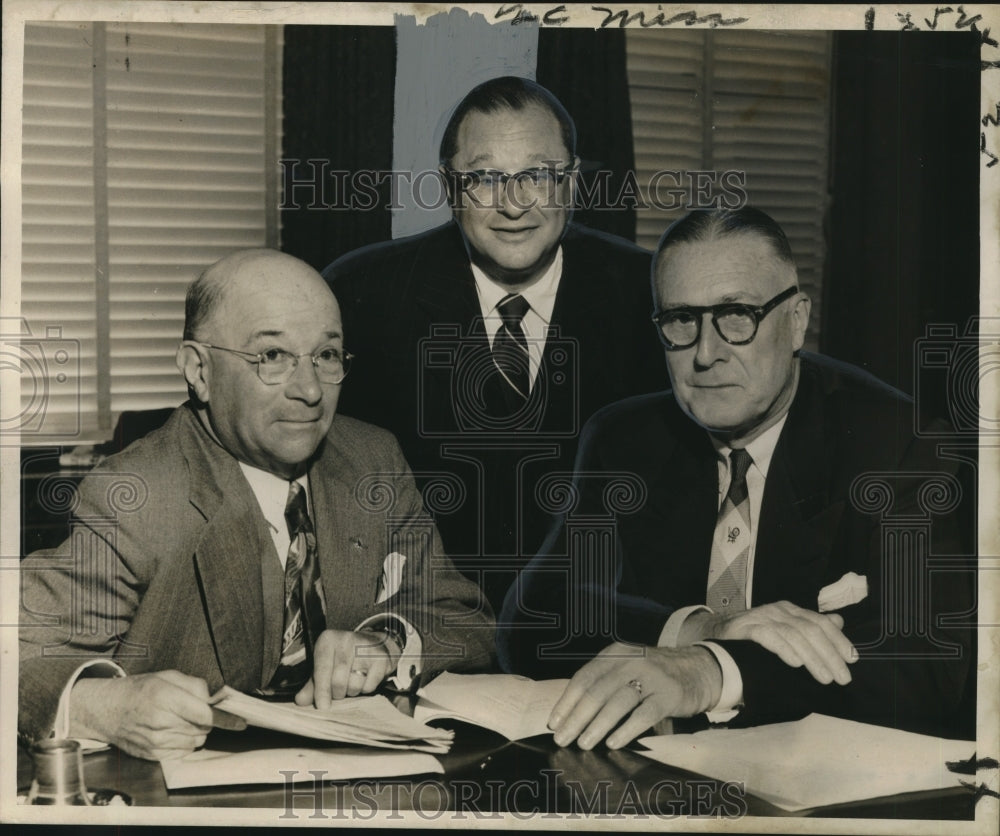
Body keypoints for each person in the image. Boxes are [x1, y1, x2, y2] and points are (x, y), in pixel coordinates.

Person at [498, 208, 976, 748]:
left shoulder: (896, 446)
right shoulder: (624, 437)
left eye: (737, 315)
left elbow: (925, 667)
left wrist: (711, 670)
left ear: (796, 321)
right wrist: (701, 629)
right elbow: (534, 615)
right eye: (681, 319)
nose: (706, 353)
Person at [19, 249, 496, 761]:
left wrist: (388, 641)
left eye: (326, 355)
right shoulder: (135, 496)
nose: (310, 390)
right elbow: (16, 654)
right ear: (199, 370)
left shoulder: (370, 459)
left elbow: (464, 615)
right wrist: (103, 708)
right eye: (272, 356)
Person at [324, 76, 664, 612]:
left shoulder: (648, 292)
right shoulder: (364, 293)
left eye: (539, 176)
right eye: (484, 178)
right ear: (448, 186)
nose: (514, 205)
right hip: (420, 621)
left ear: (572, 183)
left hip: (603, 624)